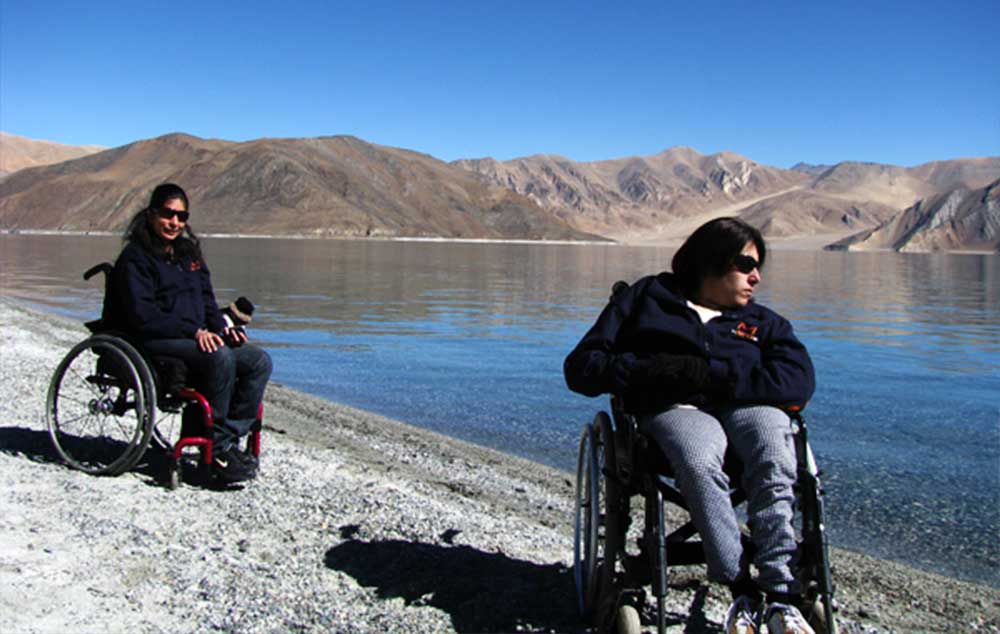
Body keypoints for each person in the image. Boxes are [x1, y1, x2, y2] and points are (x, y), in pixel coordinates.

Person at [564, 217, 816, 634]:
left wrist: (712, 376)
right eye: (745, 264)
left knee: (774, 447)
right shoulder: (646, 299)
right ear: (709, 261)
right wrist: (649, 372)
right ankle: (741, 588)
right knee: (699, 458)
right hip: (676, 411)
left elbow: (798, 381)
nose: (757, 276)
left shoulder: (764, 323)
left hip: (747, 408)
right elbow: (581, 368)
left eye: (759, 266)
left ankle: (782, 593)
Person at [106, 183, 272, 484]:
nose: (175, 223)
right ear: (152, 214)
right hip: (154, 337)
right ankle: (216, 450)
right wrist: (195, 332)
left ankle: (224, 439)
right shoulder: (136, 258)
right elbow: (143, 316)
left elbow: (207, 302)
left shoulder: (188, 254)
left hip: (193, 336)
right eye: (168, 215)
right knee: (219, 357)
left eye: (182, 217)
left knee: (258, 361)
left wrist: (224, 328)